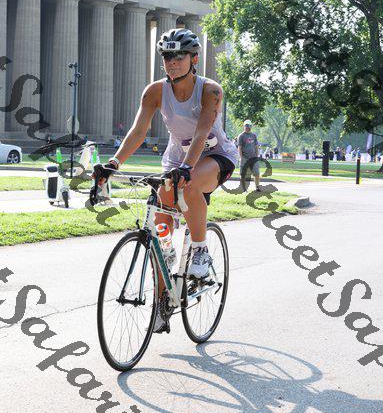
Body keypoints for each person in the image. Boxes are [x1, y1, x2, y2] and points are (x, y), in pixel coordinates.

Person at [94, 28, 238, 333]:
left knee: (190, 183)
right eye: (167, 56)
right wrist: (113, 163)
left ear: (194, 59)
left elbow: (201, 132)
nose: (172, 62)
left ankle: (200, 250)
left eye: (179, 56)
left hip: (215, 156)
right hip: (176, 160)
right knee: (160, 233)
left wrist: (187, 168)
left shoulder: (210, 90)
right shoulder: (155, 91)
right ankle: (163, 301)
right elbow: (138, 132)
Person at [237, 120, 261, 192]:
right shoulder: (241, 136)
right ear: (244, 126)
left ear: (251, 127)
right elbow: (239, 148)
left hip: (253, 158)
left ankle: (257, 187)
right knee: (243, 174)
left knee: (257, 173)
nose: (248, 127)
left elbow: (256, 146)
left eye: (249, 126)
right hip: (244, 157)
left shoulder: (254, 135)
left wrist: (257, 156)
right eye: (246, 126)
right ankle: (244, 189)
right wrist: (241, 157)